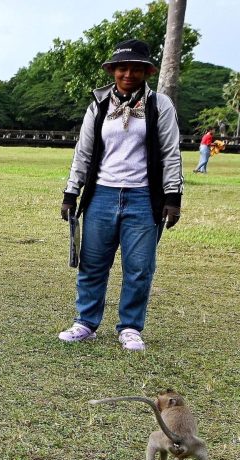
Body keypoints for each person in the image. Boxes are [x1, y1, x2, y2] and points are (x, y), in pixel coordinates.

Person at [58, 39, 183, 352]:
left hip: (143, 198)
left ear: (146, 72)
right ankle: (86, 323)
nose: (129, 74)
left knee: (139, 268)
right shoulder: (100, 104)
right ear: (113, 70)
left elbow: (170, 152)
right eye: (123, 68)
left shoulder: (159, 106)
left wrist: (173, 197)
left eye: (136, 68)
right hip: (101, 195)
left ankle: (130, 328)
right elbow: (83, 152)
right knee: (92, 264)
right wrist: (71, 192)